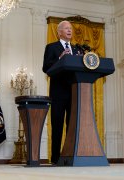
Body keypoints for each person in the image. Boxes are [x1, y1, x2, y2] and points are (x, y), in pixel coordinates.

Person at [42, 20, 80, 164]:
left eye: (71, 28)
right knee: (57, 126)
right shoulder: (51, 47)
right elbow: (46, 68)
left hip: (74, 92)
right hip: (58, 93)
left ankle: (71, 156)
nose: (69, 30)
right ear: (59, 32)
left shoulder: (77, 49)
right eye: (66, 28)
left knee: (72, 126)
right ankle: (55, 158)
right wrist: (60, 58)